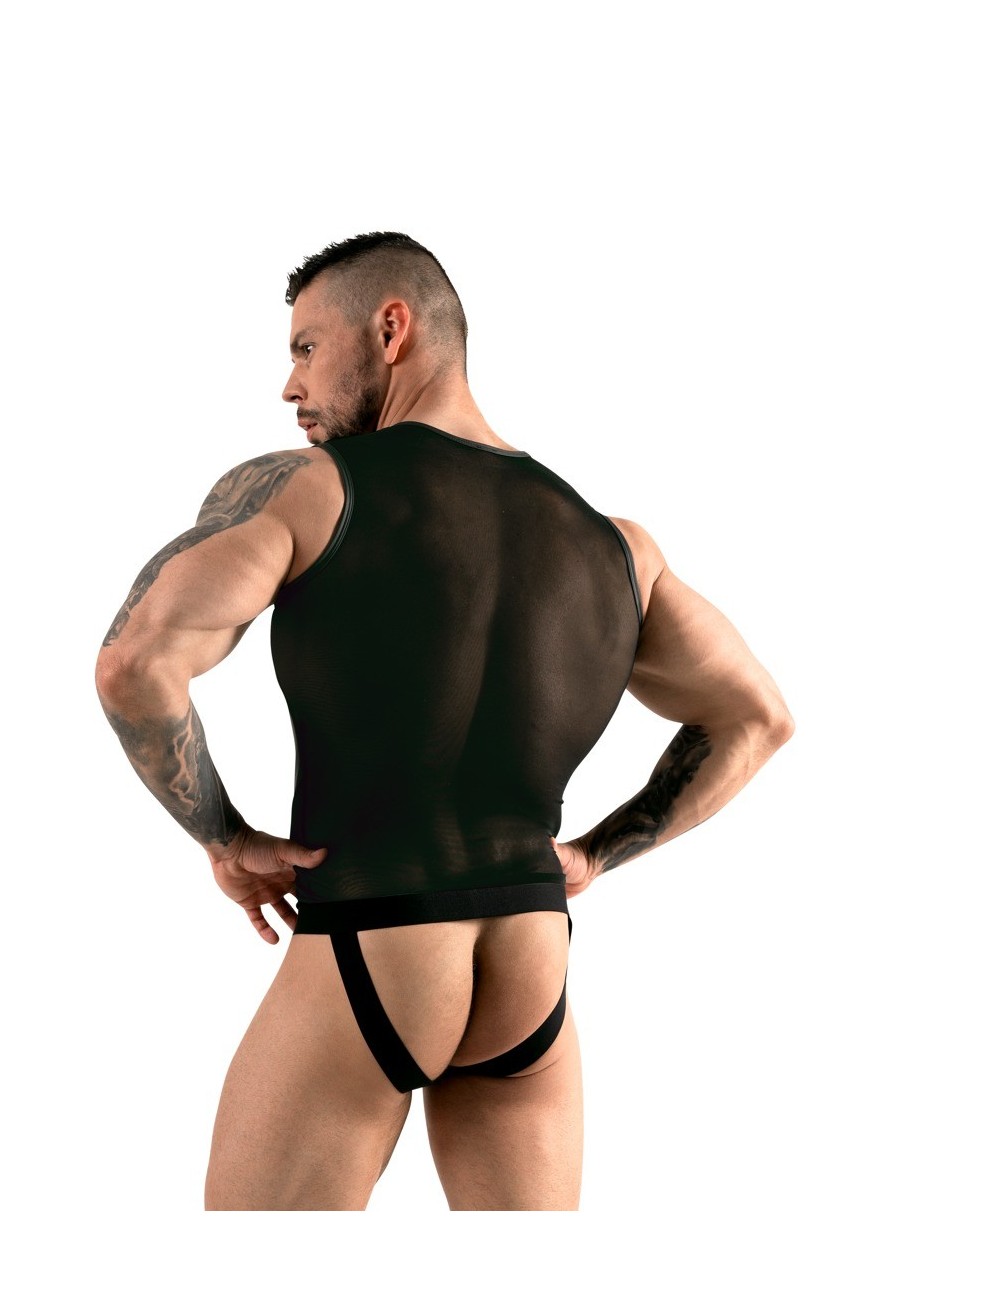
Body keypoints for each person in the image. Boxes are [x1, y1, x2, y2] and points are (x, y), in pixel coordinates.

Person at [94, 231, 795, 1211]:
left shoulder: (309, 491)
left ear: (391, 330)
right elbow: (756, 717)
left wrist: (225, 837)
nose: (289, 387)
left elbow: (135, 662)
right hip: (531, 961)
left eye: (305, 348)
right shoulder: (615, 546)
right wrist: (593, 855)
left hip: (372, 941)